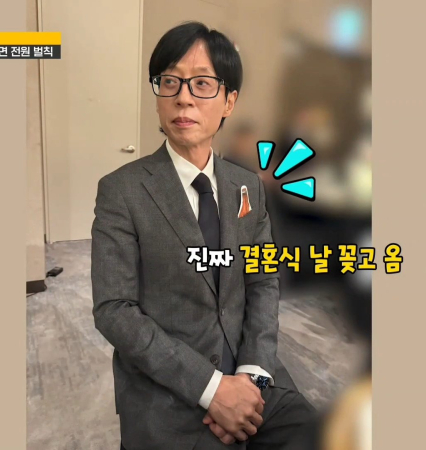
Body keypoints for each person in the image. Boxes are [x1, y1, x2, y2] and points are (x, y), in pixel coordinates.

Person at [91, 21, 315, 450]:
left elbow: (263, 280)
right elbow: (114, 310)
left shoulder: (247, 187)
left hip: (252, 375)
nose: (184, 97)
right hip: (171, 389)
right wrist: (213, 389)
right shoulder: (121, 191)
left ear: (229, 100)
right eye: (170, 81)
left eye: (202, 83)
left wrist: (252, 376)